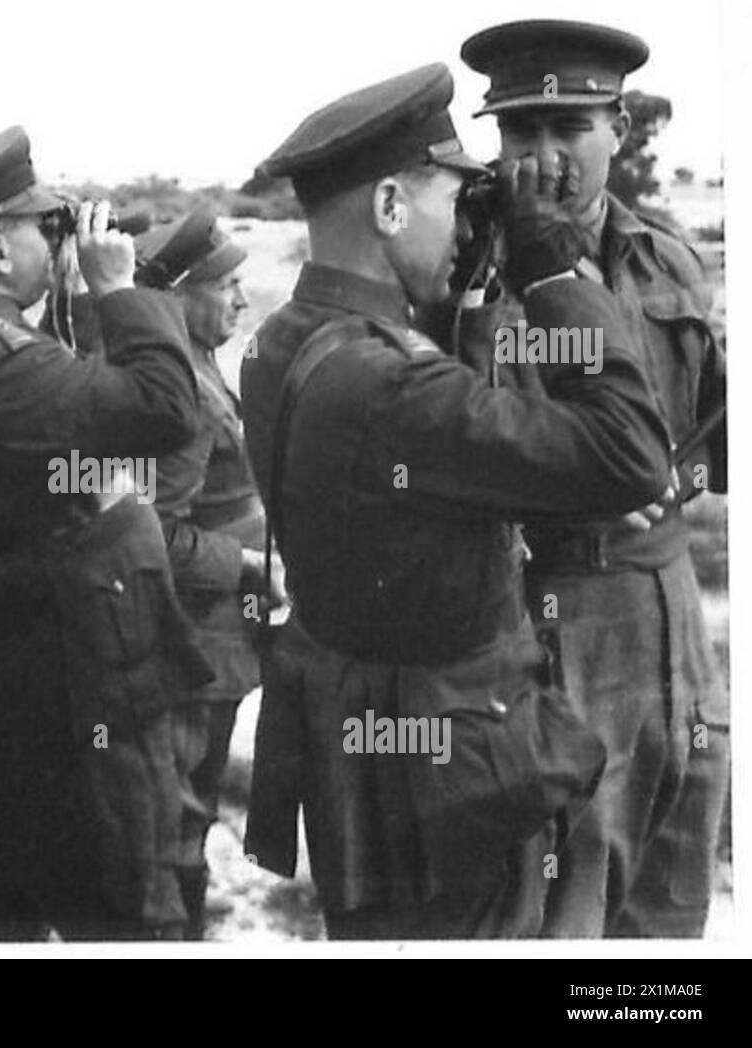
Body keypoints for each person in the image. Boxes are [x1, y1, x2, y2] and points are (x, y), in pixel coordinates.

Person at [239, 63, 673, 938]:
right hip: (452, 779)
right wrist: (550, 268)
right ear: (392, 207)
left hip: (371, 760)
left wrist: (459, 303)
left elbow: (427, 485)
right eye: (453, 200)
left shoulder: (283, 340)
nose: (467, 221)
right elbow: (631, 453)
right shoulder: (394, 387)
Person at [0, 126, 212, 940]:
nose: (55, 242)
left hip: (13, 671)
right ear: (0, 250)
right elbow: (169, 411)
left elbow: (80, 405)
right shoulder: (0, 361)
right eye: (45, 229)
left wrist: (82, 304)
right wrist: (120, 290)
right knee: (126, 904)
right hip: (68, 689)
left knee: (22, 894)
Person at [451, 20, 729, 937]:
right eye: (521, 135)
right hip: (550, 611)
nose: (545, 161)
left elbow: (711, 415)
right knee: (565, 906)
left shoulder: (665, 257)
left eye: (568, 131)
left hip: (671, 614)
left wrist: (676, 482)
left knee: (668, 901)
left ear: (619, 129)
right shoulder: (466, 277)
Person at [131, 208, 280, 937]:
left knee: (191, 807)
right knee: (180, 821)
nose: (243, 301)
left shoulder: (194, 366)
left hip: (217, 639)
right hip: (193, 646)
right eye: (227, 286)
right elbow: (152, 531)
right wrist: (249, 563)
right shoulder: (182, 388)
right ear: (182, 294)